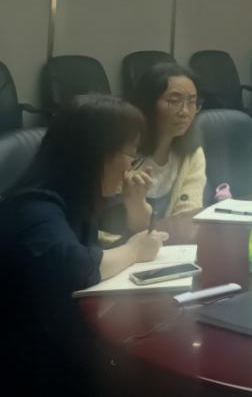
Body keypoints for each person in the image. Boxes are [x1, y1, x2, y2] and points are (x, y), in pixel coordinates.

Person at [0, 95, 167, 394]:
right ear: (98, 154)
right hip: (31, 367)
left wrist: (136, 205)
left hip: (62, 343)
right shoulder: (34, 207)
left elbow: (124, 238)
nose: (132, 164)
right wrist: (134, 251)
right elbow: (75, 267)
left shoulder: (76, 198)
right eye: (130, 152)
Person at [102, 63, 207, 238]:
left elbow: (187, 217)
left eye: (192, 102)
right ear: (147, 103)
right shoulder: (121, 155)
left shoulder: (192, 154)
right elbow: (108, 230)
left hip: (169, 246)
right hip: (120, 247)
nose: (185, 112)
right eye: (174, 101)